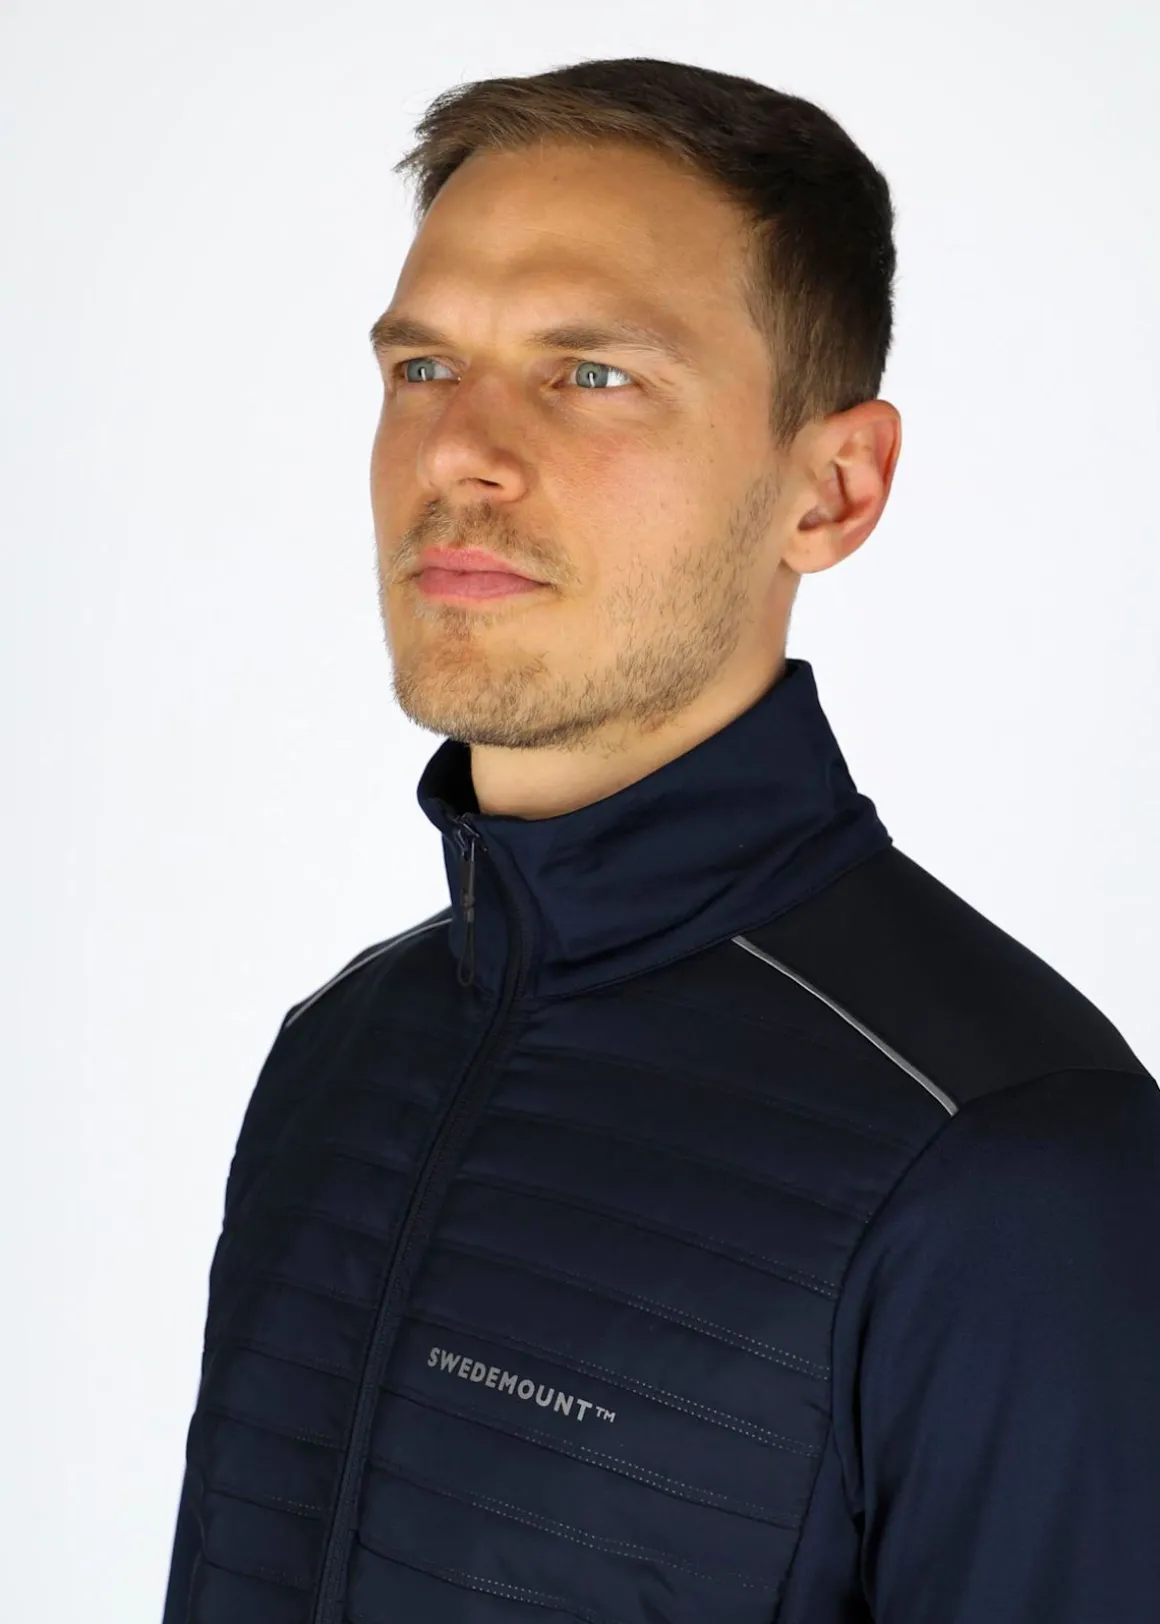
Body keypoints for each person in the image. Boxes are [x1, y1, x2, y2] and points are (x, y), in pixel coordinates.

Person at [161, 55, 1160, 1624]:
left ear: (832, 491)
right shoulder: (339, 1056)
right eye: (424, 365)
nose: (458, 452)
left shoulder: (1016, 1166)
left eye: (591, 374)